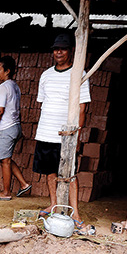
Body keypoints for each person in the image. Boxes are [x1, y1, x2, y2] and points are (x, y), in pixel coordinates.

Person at [33, 32, 95, 235]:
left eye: (63, 48)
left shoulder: (79, 74)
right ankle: (54, 205)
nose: (58, 52)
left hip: (66, 135)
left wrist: (76, 135)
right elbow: (42, 103)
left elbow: (82, 109)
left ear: (71, 51)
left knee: (70, 175)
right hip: (46, 131)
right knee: (50, 172)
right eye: (55, 49)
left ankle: (75, 212)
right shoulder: (46, 75)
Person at [0, 55, 31, 201]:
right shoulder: (14, 86)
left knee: (5, 160)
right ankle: (24, 184)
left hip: (5, 128)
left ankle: (5, 193)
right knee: (6, 159)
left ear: (7, 71)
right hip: (14, 126)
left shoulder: (3, 88)